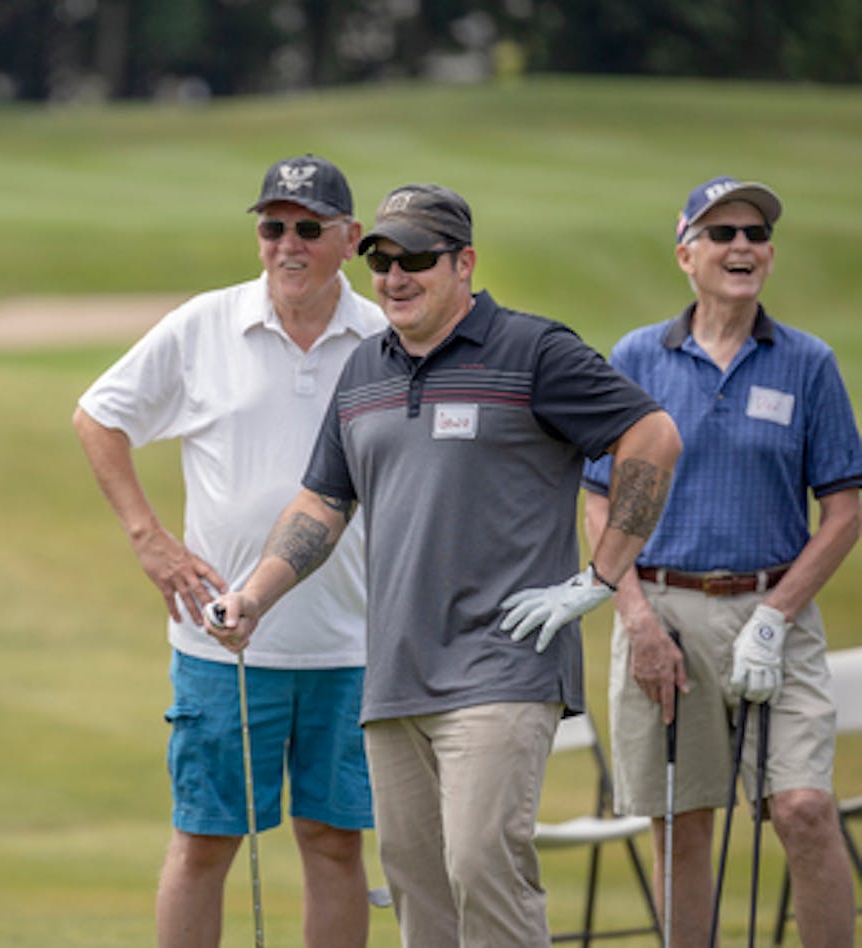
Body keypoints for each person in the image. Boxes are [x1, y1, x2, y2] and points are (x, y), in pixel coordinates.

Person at [208, 182, 682, 947]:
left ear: (463, 263)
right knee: (417, 885)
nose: (395, 277)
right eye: (381, 261)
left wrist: (599, 577)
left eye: (416, 258)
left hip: (503, 665)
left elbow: (652, 436)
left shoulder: (534, 351)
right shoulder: (364, 370)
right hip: (394, 674)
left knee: (482, 865)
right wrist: (253, 597)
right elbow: (322, 503)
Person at [73, 155, 386, 947]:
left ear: (348, 239)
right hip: (221, 643)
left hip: (350, 642)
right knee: (206, 841)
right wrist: (151, 540)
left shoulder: (384, 338)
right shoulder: (205, 324)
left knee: (334, 843)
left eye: (309, 229)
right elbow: (98, 417)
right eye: (272, 226)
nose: (288, 244)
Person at [582, 176, 861, 948]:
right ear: (686, 254)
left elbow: (845, 508)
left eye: (756, 234)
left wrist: (774, 617)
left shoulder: (807, 364)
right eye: (723, 233)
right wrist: (634, 616)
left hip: (776, 610)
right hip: (662, 612)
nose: (743, 246)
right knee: (681, 824)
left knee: (804, 808)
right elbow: (600, 500)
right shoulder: (639, 355)